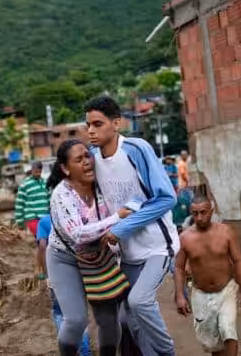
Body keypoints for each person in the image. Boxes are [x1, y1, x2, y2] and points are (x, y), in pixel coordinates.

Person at [85, 95, 178, 356]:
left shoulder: (136, 149)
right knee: (128, 318)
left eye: (98, 124)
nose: (91, 130)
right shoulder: (92, 158)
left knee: (140, 302)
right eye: (88, 125)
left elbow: (166, 198)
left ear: (116, 123)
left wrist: (121, 228)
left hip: (157, 246)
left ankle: (167, 352)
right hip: (127, 252)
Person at [46, 139, 133, 356]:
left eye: (87, 156)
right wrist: (116, 218)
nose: (86, 162)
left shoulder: (103, 186)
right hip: (64, 257)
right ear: (65, 169)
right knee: (76, 320)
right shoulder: (61, 195)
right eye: (78, 159)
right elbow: (78, 234)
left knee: (109, 321)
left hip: (100, 256)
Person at [174, 194, 241, 356]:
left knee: (227, 329)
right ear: (190, 212)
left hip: (226, 290)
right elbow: (179, 268)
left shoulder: (226, 232)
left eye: (204, 212)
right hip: (200, 295)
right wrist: (180, 295)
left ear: (212, 211)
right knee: (213, 343)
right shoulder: (185, 238)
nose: (199, 217)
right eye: (195, 213)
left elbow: (238, 261)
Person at [37, 215, 92, 356]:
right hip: (79, 271)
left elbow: (42, 247)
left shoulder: (44, 221)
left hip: (57, 272)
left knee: (60, 313)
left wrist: (46, 274)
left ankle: (69, 350)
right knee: (80, 315)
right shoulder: (75, 217)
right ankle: (85, 352)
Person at [15, 161, 50, 236]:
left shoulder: (45, 183)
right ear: (32, 170)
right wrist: (20, 222)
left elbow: (50, 200)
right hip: (32, 217)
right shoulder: (25, 184)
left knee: (48, 239)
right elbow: (19, 204)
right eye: (36, 172)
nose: (38, 174)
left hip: (45, 216)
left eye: (39, 172)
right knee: (41, 238)